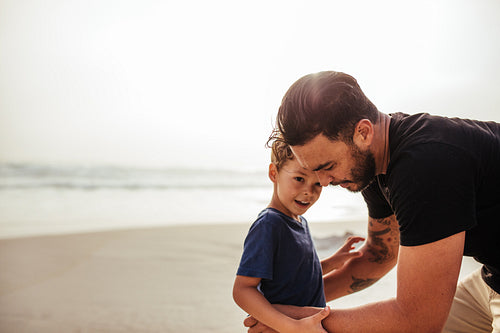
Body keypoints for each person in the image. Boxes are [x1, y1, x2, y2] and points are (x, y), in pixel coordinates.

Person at [243, 71, 500, 333]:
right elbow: (378, 255)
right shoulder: (373, 164)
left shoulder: (424, 166)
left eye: (328, 166)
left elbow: (418, 322)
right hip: (490, 281)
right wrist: (283, 309)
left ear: (363, 132)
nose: (325, 181)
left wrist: (298, 322)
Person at [233, 138, 365, 333]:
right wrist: (290, 327)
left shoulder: (300, 223)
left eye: (318, 184)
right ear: (274, 173)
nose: (308, 192)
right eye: (299, 179)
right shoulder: (269, 224)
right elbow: (242, 290)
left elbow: (296, 277)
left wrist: (333, 263)